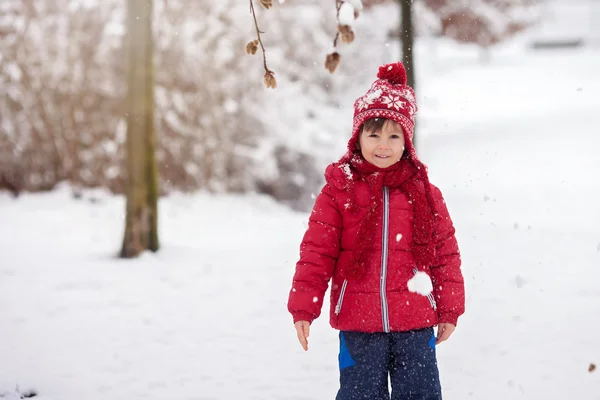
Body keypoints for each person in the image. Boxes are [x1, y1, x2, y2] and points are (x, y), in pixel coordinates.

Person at [286, 62, 465, 400]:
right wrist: (304, 308)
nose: (383, 145)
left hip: (415, 320)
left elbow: (445, 253)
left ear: (407, 142)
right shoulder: (339, 190)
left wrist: (450, 308)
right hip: (358, 323)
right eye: (374, 134)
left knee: (420, 394)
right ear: (358, 136)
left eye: (393, 135)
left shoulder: (425, 194)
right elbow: (316, 253)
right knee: (360, 394)